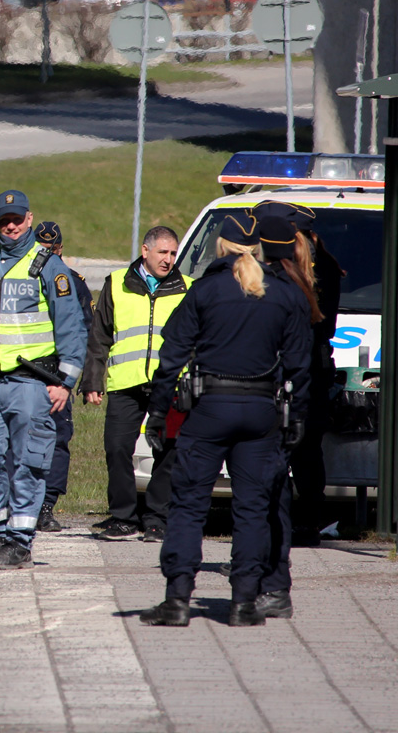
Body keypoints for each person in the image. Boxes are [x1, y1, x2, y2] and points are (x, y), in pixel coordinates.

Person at [139, 213, 310, 627]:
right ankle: (244, 604)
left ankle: (178, 600)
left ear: (221, 247)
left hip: (210, 409)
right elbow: (300, 366)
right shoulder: (284, 294)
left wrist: (159, 412)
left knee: (188, 505)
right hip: (259, 413)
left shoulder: (205, 291)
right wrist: (296, 416)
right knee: (253, 510)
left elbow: (171, 357)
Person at [0, 190, 87, 569]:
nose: (10, 226)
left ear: (29, 219)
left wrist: (65, 383)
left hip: (32, 382)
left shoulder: (48, 266)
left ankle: (20, 541)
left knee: (28, 464)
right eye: (3, 220)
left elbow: (72, 329)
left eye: (16, 219)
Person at [79, 226, 192, 542]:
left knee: (168, 452)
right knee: (116, 449)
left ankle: (157, 518)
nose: (169, 260)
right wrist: (92, 381)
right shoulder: (116, 284)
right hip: (125, 383)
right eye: (163, 253)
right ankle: (123, 516)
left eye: (173, 253)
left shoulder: (188, 288)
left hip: (170, 386)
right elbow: (98, 337)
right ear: (145, 251)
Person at [254, 200, 341, 547]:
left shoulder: (308, 271)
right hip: (301, 369)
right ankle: (294, 521)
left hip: (302, 369)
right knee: (297, 451)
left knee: (299, 450)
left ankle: (301, 522)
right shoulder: (311, 267)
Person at [30, 220, 93, 533]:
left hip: (56, 374)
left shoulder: (73, 281)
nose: (46, 255)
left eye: (51, 249)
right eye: (40, 248)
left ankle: (46, 505)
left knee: (57, 440)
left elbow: (85, 331)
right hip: (26, 371)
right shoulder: (23, 278)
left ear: (61, 249)